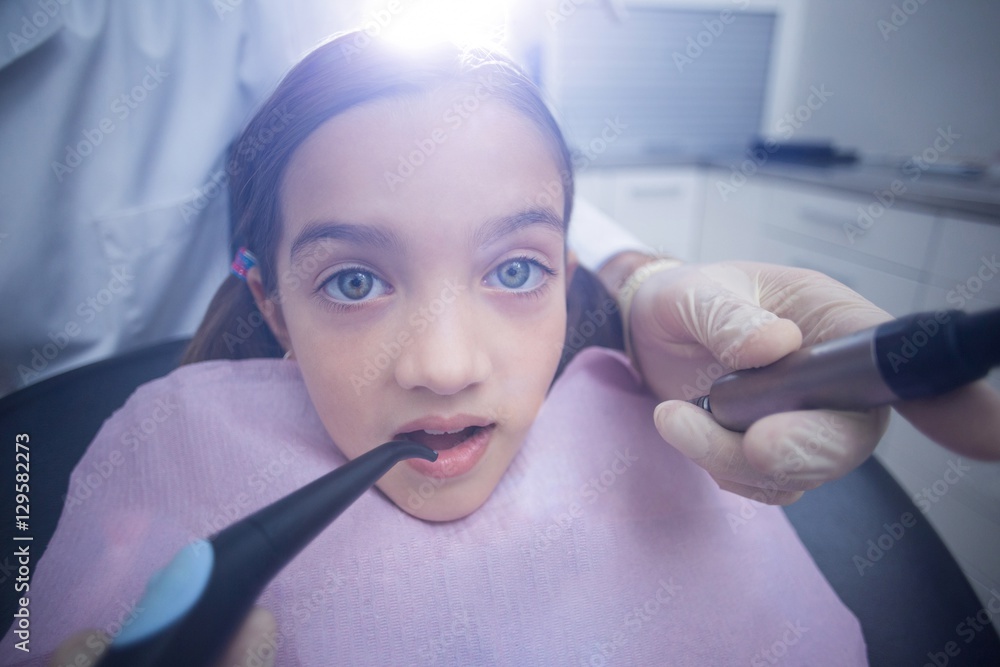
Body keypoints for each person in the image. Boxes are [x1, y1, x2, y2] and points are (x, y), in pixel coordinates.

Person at [8, 33, 876, 666]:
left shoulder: (649, 426)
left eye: (515, 267)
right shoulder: (174, 445)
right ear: (271, 305)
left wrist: (644, 277)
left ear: (566, 276)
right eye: (354, 282)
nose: (447, 365)